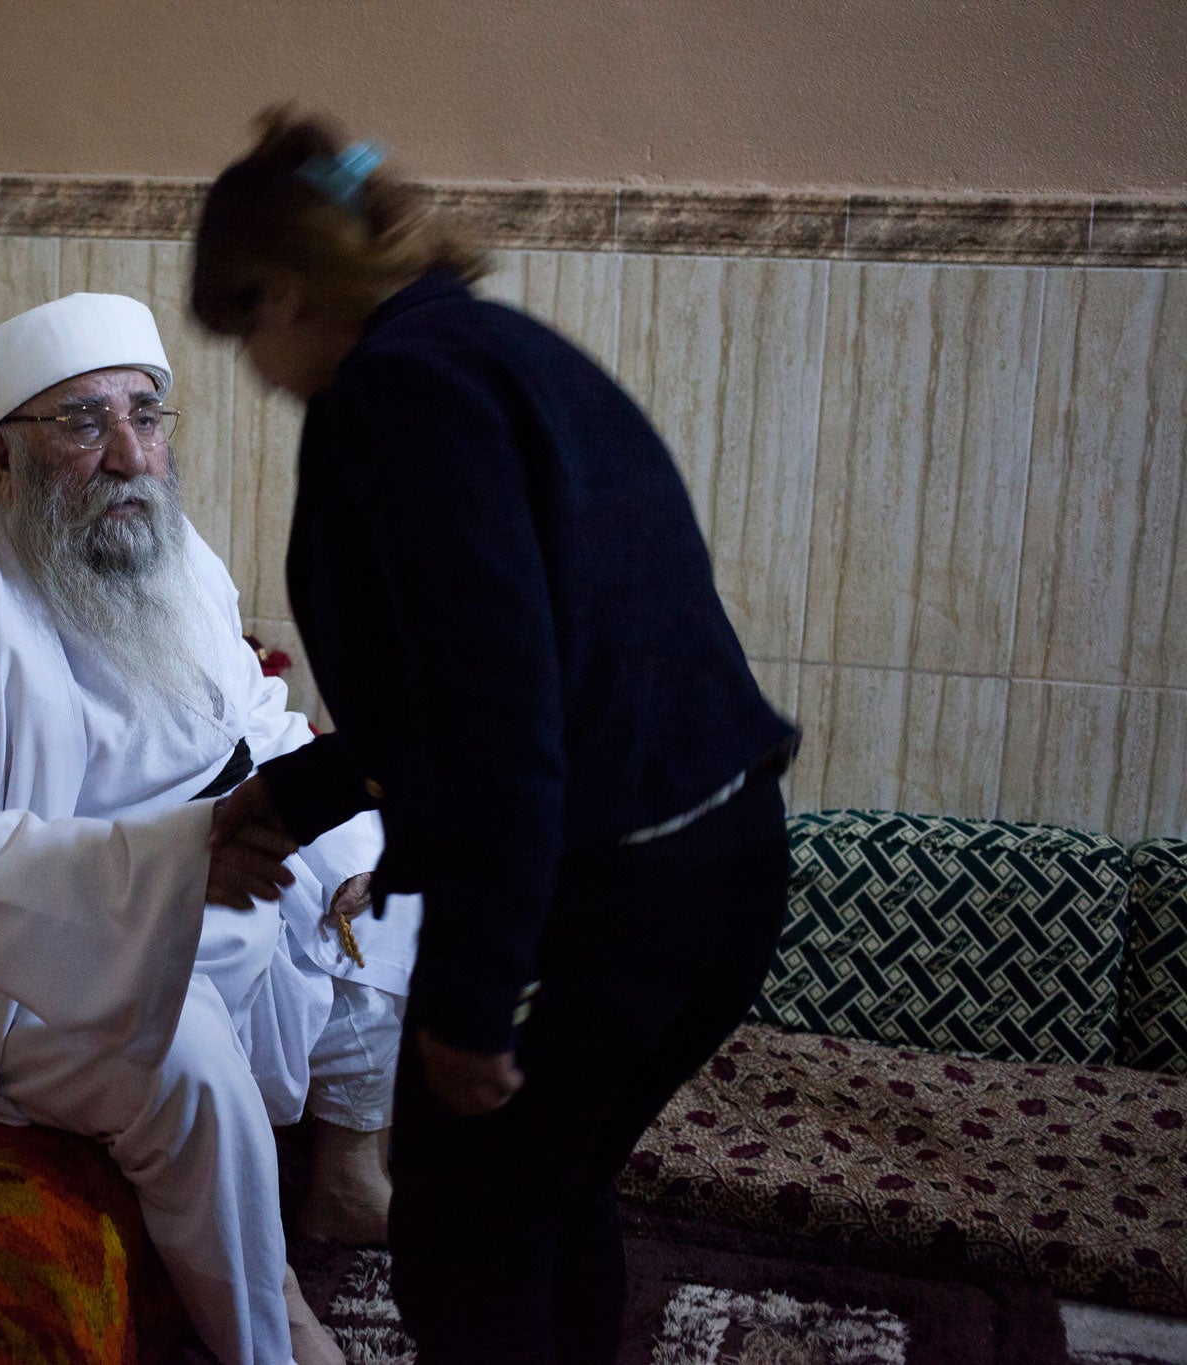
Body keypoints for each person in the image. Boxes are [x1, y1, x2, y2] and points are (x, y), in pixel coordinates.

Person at [192, 112, 800, 1364]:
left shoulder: (397, 392)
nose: (253, 368)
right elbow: (483, 677)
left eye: (244, 327)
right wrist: (300, 794)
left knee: (468, 1251)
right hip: (714, 869)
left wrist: (469, 997)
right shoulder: (484, 348)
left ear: (292, 291)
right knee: (540, 1205)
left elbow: (496, 715)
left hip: (611, 900)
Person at [0, 291, 422, 1365]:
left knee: (382, 865)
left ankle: (346, 1177)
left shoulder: (166, 554)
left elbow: (252, 721)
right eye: (81, 423)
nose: (130, 454)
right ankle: (268, 1332)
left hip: (182, 869)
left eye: (146, 413)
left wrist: (324, 828)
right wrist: (181, 867)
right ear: (2, 458)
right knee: (180, 1058)